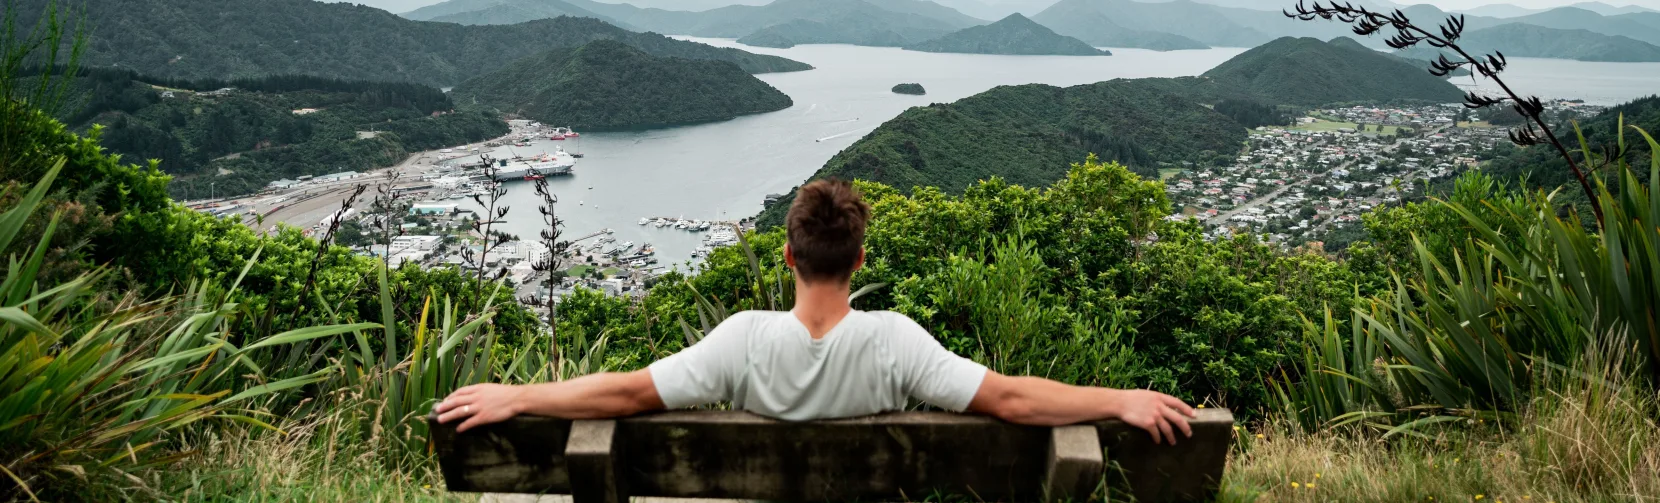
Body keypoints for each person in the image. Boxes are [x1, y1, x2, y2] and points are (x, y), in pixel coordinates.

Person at [435, 179, 1197, 444]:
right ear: (860, 260)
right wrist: (1119, 399)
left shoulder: (741, 341)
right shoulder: (898, 343)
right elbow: (1013, 398)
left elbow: (628, 390)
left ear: (789, 257)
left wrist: (520, 394)